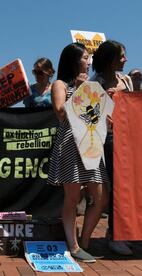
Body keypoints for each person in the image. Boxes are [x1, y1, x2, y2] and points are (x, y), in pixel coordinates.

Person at [48, 42, 109, 262]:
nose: (88, 61)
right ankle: (73, 247)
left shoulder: (91, 85)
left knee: (100, 198)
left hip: (90, 144)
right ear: (73, 60)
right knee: (72, 199)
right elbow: (61, 113)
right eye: (84, 57)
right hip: (70, 145)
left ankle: (84, 241)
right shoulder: (60, 84)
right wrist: (80, 89)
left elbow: (94, 116)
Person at [91, 40, 134, 256]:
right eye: (122, 56)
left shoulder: (126, 80)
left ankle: (127, 232)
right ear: (111, 60)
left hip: (130, 140)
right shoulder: (95, 82)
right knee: (115, 187)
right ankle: (115, 235)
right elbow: (88, 114)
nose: (125, 59)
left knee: (129, 188)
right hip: (107, 140)